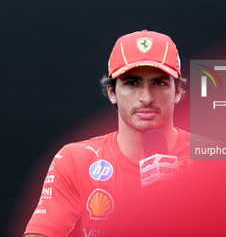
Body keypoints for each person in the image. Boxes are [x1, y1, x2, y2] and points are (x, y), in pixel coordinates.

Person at [24, 30, 192, 237]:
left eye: (159, 83)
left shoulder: (216, 159)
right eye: (132, 83)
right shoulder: (76, 159)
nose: (146, 97)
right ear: (112, 92)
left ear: (177, 92)